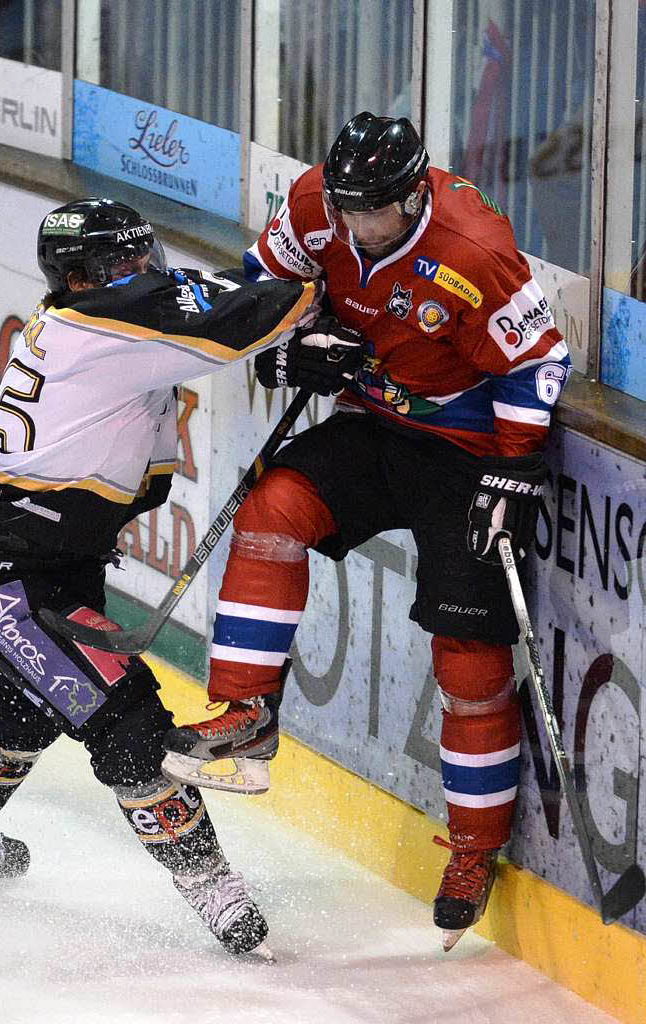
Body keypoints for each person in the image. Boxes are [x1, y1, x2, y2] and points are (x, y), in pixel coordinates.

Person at [0, 196, 362, 958]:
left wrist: (285, 354)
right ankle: (222, 900)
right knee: (128, 732)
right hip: (13, 585)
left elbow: (202, 330)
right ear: (81, 276)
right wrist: (330, 282)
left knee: (25, 711)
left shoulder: (94, 321)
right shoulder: (111, 323)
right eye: (125, 261)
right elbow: (246, 308)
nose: (145, 272)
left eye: (145, 257)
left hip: (32, 564)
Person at [162, 113, 572, 950]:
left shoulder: (475, 252)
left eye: (371, 211)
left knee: (468, 657)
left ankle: (472, 847)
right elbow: (260, 287)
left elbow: (540, 361)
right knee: (273, 507)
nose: (352, 225)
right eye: (345, 206)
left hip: (465, 451)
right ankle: (246, 713)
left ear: (413, 192)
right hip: (373, 421)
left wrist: (516, 462)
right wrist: (290, 350)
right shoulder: (318, 203)